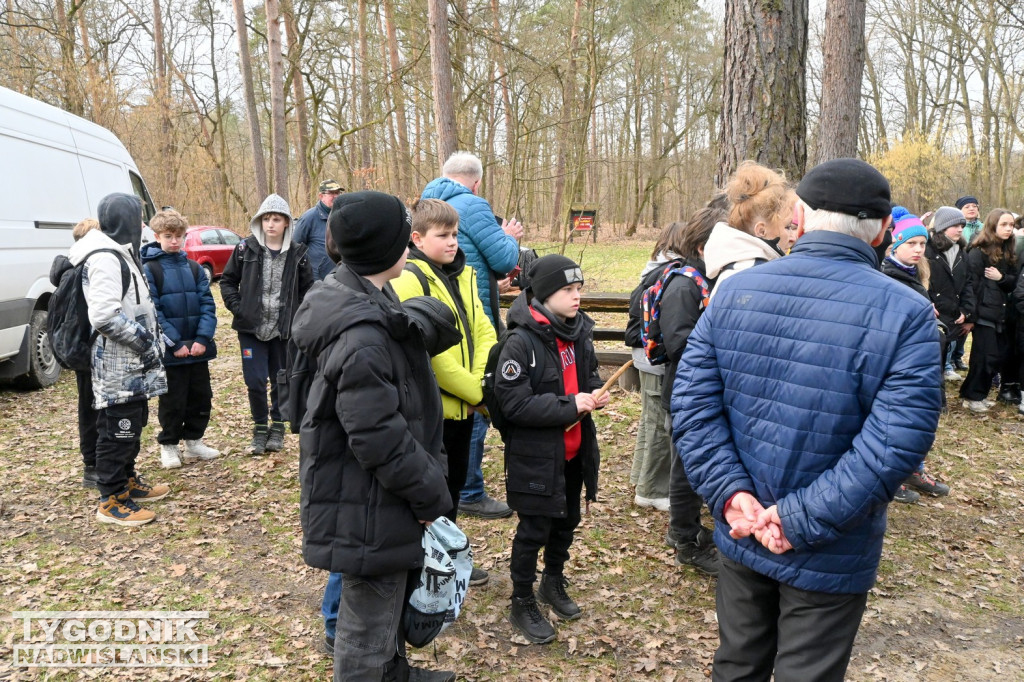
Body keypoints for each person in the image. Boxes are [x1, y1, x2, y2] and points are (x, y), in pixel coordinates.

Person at [672, 158, 942, 681]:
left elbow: (692, 407)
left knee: (737, 665)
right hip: (813, 536)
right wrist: (744, 500)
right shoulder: (906, 312)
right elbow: (895, 445)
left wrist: (741, 501)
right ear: (884, 230)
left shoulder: (737, 293)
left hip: (759, 528)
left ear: (799, 215)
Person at [294, 190, 455, 682]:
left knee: (389, 597)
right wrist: (430, 495)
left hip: (374, 497)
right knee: (367, 620)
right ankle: (373, 671)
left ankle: (394, 670)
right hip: (365, 500)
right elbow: (378, 438)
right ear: (387, 249)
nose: (411, 244)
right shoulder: (360, 338)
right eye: (404, 236)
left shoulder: (368, 296)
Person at [496, 254, 607, 645]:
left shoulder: (579, 332)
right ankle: (522, 598)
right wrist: (570, 404)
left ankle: (553, 581)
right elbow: (513, 405)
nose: (577, 297)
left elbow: (588, 374)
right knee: (533, 530)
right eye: (568, 290)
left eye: (579, 289)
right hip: (536, 458)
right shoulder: (520, 341)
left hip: (574, 454)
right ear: (543, 294)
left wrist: (593, 391)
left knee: (567, 521)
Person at [422, 151, 521, 520]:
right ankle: (470, 489)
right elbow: (503, 257)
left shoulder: (430, 201)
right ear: (477, 181)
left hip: (458, 311)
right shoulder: (473, 205)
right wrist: (508, 236)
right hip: (466, 322)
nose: (450, 240)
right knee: (473, 407)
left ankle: (459, 485)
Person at [393, 198, 498, 526]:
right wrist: (479, 395)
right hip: (436, 411)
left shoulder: (462, 274)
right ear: (418, 238)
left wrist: (479, 385)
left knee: (453, 489)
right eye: (443, 235)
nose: (452, 241)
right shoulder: (410, 279)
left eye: (455, 234)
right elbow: (432, 356)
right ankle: (431, 568)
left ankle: (450, 563)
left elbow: (483, 329)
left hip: (466, 406)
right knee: (434, 494)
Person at [71, 193, 171, 526]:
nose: (141, 225)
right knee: (119, 430)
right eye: (138, 218)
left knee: (133, 422)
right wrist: (145, 343)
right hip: (117, 365)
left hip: (133, 365)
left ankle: (127, 479)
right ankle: (111, 499)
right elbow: (103, 315)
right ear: (125, 220)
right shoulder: (104, 258)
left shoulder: (121, 253)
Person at [657, 207, 725, 574]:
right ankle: (684, 537)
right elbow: (678, 344)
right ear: (701, 247)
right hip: (685, 392)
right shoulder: (684, 285)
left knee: (697, 465)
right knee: (685, 468)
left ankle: (690, 528)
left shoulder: (705, 281)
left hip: (700, 390)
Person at [221, 194, 313, 454]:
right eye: (266, 219)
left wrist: (298, 317)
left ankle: (278, 426)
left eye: (276, 219)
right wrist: (240, 309)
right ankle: (260, 427)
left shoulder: (299, 254)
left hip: (283, 332)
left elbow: (309, 289)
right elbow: (227, 281)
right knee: (255, 381)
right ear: (259, 222)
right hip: (251, 331)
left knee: (280, 379)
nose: (271, 224)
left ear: (286, 223)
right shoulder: (244, 249)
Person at [880, 207, 951, 500]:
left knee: (918, 421)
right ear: (895, 243)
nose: (918, 249)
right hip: (901, 366)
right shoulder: (889, 276)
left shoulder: (915, 273)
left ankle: (913, 468)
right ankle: (890, 477)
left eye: (922, 244)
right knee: (894, 423)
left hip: (924, 361)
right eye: (911, 244)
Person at [141, 209, 220, 469]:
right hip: (171, 351)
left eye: (179, 236)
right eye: (168, 236)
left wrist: (202, 338)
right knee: (173, 400)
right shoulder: (150, 269)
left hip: (198, 349)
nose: (174, 241)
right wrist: (174, 343)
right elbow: (153, 310)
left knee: (201, 396)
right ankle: (169, 444)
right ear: (157, 236)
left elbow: (207, 304)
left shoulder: (195, 268)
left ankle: (194, 441)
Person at [51, 218, 102, 489]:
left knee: (92, 407)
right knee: (91, 409)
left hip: (85, 351)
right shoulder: (78, 273)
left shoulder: (76, 269)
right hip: (87, 353)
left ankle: (96, 463)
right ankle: (92, 466)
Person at [702, 161, 796, 294]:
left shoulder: (735, 272)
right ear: (761, 230)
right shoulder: (760, 279)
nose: (793, 237)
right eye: (788, 227)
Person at [959, 209, 1018, 413]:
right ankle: (972, 396)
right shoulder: (978, 251)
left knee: (995, 357)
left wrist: (1000, 278)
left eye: (1011, 225)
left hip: (1000, 312)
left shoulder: (1009, 250)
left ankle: (977, 393)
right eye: (1004, 225)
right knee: (984, 356)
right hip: (983, 313)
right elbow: (971, 285)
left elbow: (1012, 283)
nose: (1009, 229)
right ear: (993, 225)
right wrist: (970, 316)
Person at [926, 206, 973, 382]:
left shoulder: (962, 251)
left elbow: (968, 282)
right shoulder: (927, 250)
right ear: (942, 226)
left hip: (953, 312)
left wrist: (966, 310)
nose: (960, 229)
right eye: (956, 225)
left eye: (962, 225)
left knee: (946, 348)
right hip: (933, 312)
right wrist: (927, 304)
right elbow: (922, 281)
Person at [952, 195, 983, 371]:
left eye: (974, 206)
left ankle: (958, 356)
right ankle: (950, 357)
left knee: (968, 319)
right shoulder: (957, 229)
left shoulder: (983, 228)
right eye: (967, 207)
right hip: (959, 271)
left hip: (976, 275)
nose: (971, 209)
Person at [293, 180, 344, 281]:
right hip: (316, 280)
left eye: (337, 193)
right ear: (321, 196)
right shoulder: (309, 218)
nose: (336, 196)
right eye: (331, 193)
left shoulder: (343, 216)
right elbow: (295, 248)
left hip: (340, 278)